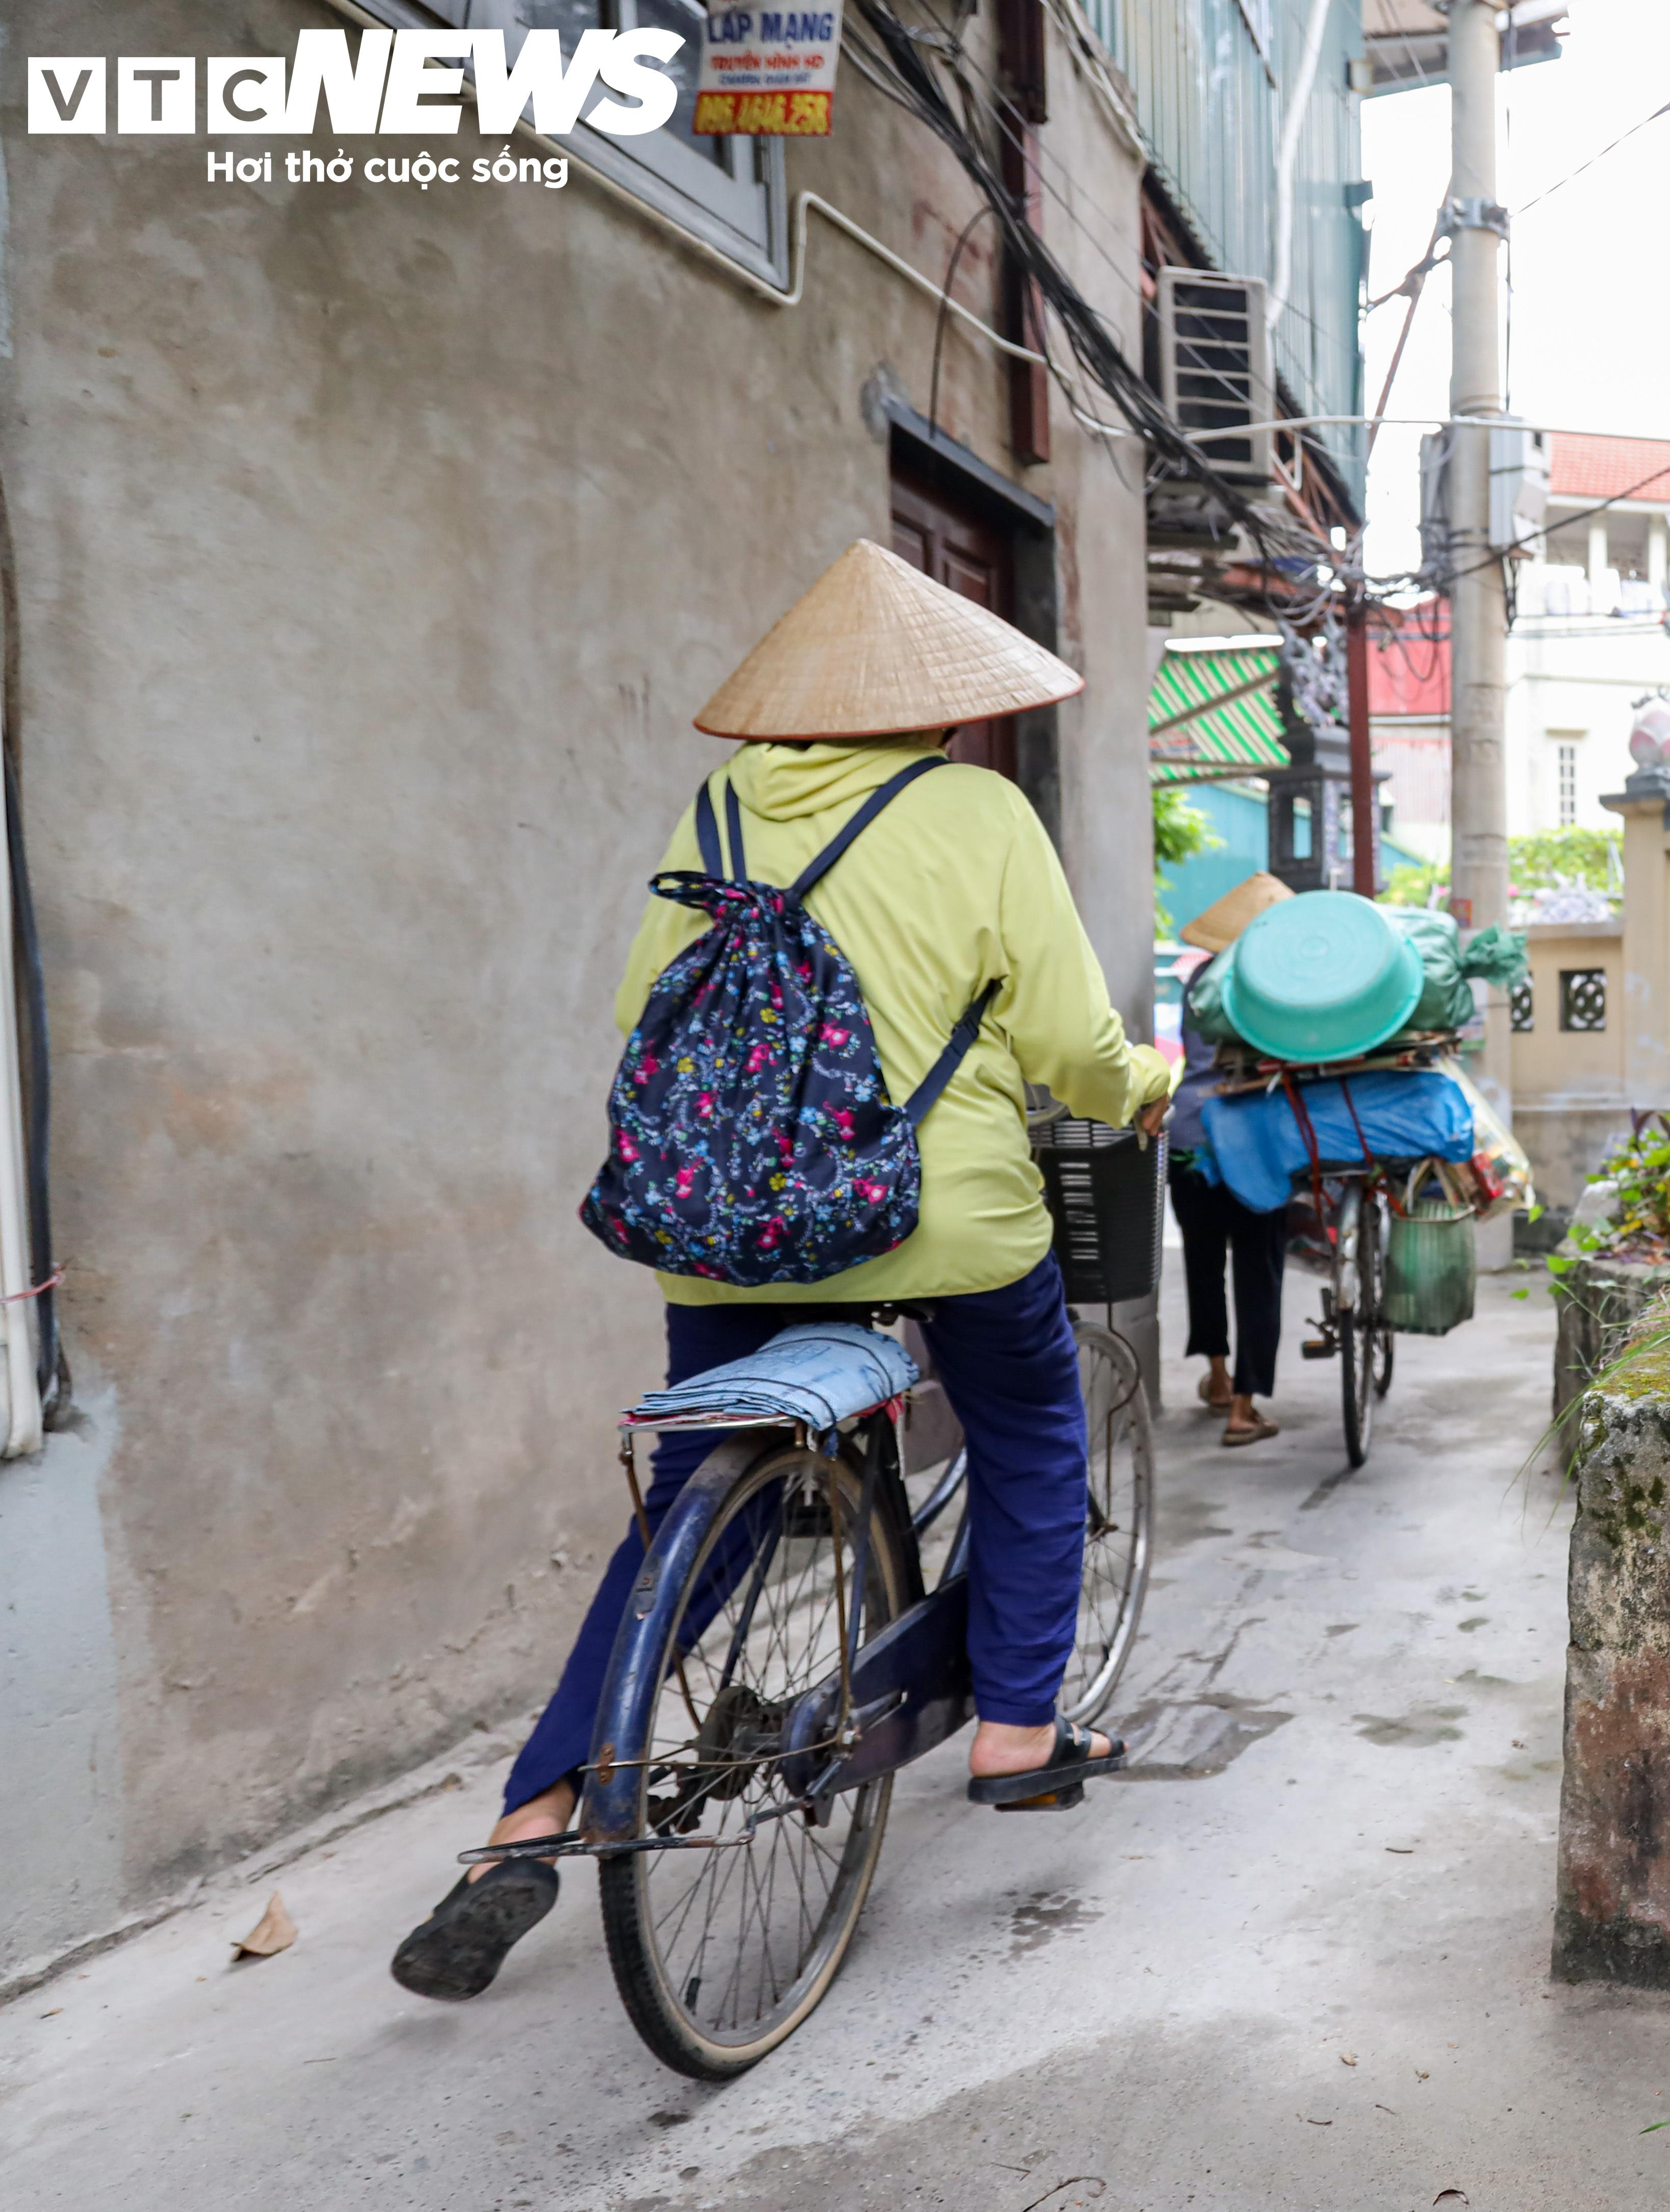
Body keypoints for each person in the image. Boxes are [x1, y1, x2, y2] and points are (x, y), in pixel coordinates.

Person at [390, 540, 1176, 2001]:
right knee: (1029, 1432)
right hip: (948, 1221)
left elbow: (647, 1013)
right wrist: (1141, 1081)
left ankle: (528, 1816)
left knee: (708, 1497)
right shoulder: (980, 811)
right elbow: (1072, 1042)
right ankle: (1016, 1728)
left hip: (729, 1224)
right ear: (946, 706)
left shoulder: (720, 807)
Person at [1167, 874, 1294, 1446]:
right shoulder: (1280, 984)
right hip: (1253, 1144)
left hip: (1190, 1135)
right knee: (1257, 1271)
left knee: (1203, 1265)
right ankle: (1245, 1408)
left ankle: (1218, 1379)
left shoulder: (1198, 979)